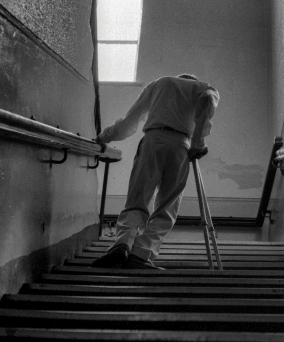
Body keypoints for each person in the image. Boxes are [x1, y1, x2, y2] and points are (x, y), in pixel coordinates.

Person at [92, 74, 219, 269]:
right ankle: (141, 253)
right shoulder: (204, 87)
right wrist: (198, 143)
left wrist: (104, 137)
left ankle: (122, 244)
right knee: (167, 206)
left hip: (153, 139)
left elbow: (130, 121)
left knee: (138, 198)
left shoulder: (160, 84)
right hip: (181, 145)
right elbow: (208, 102)